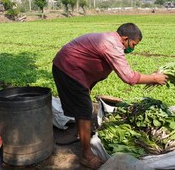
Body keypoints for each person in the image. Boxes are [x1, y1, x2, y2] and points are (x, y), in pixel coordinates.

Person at [52, 23, 168, 169]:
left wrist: (87, 88)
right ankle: (87, 156)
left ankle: (81, 135)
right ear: (125, 38)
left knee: (82, 105)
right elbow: (128, 77)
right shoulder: (111, 44)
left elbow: (91, 65)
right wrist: (155, 78)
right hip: (68, 68)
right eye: (133, 44)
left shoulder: (111, 41)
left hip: (71, 68)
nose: (133, 48)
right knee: (84, 109)